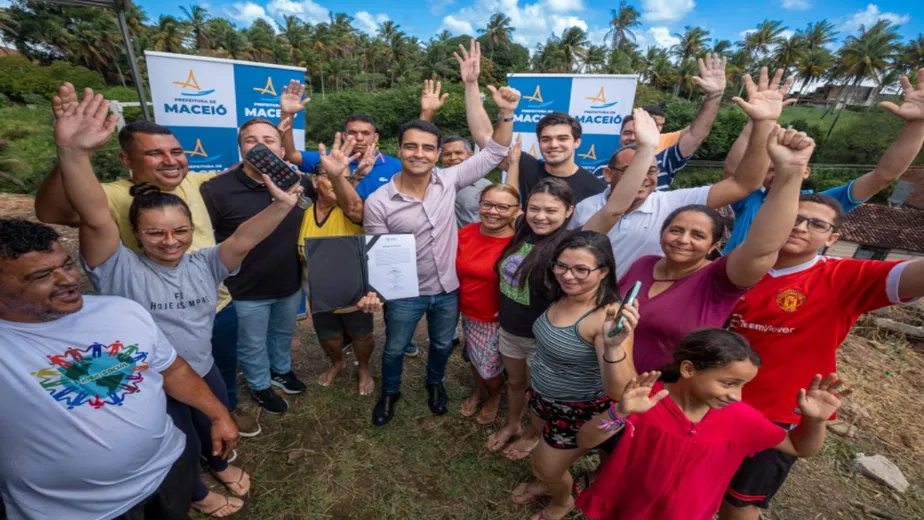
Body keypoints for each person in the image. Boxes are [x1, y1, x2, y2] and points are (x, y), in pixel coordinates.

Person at [51, 92, 316, 516]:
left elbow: (244, 237)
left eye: (180, 231)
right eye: (155, 233)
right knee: (179, 443)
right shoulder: (117, 267)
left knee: (213, 419)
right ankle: (196, 490)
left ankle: (218, 464)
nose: (170, 242)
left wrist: (283, 205)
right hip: (146, 378)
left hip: (200, 367)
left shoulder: (204, 263)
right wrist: (72, 152)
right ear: (135, 234)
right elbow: (94, 215)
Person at [32, 83, 258, 436]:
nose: (170, 160)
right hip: (156, 317)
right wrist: (71, 154)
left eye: (176, 151)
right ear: (127, 160)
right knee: (167, 391)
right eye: (155, 153)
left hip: (216, 303)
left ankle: (224, 409)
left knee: (219, 367)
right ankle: (186, 442)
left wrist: (279, 132)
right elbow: (52, 212)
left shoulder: (196, 181)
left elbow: (245, 172)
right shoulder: (109, 195)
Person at [0, 218, 239, 520]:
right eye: (42, 276)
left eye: (67, 265)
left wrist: (218, 414)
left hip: (168, 469)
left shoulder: (121, 310)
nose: (69, 280)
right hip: (80, 510)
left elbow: (173, 370)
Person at [717, 193, 924, 519]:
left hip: (777, 414)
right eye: (795, 218)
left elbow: (914, 276)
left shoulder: (846, 276)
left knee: (740, 503)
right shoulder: (737, 267)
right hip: (711, 398)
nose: (801, 227)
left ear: (832, 238)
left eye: (816, 224)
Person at [488, 108, 661, 461]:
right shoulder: (521, 227)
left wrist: (645, 150)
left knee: (537, 391)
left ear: (569, 212)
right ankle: (513, 424)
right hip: (509, 327)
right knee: (515, 384)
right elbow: (512, 191)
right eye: (535, 208)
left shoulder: (570, 242)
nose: (540, 216)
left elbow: (614, 208)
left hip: (543, 335)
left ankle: (534, 434)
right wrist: (513, 157)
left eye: (551, 211)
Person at [363, 83, 521, 426]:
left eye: (427, 148)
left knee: (440, 345)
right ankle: (390, 391)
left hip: (449, 289)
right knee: (394, 347)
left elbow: (495, 152)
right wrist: (376, 291)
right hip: (405, 293)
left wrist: (506, 113)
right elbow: (377, 254)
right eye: (411, 146)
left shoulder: (449, 180)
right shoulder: (378, 202)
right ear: (399, 150)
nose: (418, 154)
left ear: (437, 154)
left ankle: (435, 383)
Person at [575, 329, 850, 520]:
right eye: (728, 383)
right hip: (623, 509)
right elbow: (585, 440)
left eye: (743, 385)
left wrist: (815, 421)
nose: (737, 395)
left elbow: (800, 447)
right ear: (688, 369)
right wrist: (619, 412)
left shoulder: (741, 418)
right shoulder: (646, 399)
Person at [621, 124, 813, 374]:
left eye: (698, 235)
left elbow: (762, 247)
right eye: (676, 230)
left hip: (667, 391)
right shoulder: (643, 264)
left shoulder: (719, 279)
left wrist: (790, 174)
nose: (683, 240)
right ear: (662, 233)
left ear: (714, 245)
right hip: (606, 382)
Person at [570, 67, 791, 279]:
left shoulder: (671, 204)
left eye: (651, 170)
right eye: (631, 170)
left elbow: (743, 184)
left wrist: (764, 123)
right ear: (608, 175)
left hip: (643, 301)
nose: (642, 178)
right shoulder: (585, 208)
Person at [721, 68, 924, 253]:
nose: (778, 173)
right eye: (770, 169)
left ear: (806, 172)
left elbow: (884, 176)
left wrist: (917, 125)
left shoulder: (820, 205)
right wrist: (758, 121)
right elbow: (733, 172)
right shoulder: (751, 199)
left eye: (787, 166)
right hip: (727, 280)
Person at [510, 231, 640, 520]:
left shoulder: (606, 318)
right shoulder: (563, 294)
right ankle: (550, 483)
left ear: (604, 271)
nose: (568, 276)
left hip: (577, 411)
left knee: (545, 469)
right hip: (543, 396)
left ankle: (562, 501)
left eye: (581, 269)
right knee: (546, 461)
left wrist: (613, 346)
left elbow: (620, 391)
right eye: (561, 265)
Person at [200, 118, 310, 415]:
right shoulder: (215, 189)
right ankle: (260, 385)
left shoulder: (299, 183)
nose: (261, 145)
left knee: (283, 333)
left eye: (269, 140)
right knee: (251, 343)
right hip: (244, 289)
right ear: (241, 149)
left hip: (289, 283)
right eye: (251, 140)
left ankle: (281, 370)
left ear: (282, 150)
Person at [455, 39, 605, 205]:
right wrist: (471, 83)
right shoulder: (527, 167)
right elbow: (486, 138)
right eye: (546, 139)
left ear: (577, 142)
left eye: (562, 138)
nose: (553, 144)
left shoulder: (596, 189)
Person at [296, 132, 378, 396]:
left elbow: (353, 204)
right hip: (317, 291)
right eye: (329, 176)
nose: (335, 181)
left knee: (361, 335)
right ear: (315, 181)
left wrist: (341, 177)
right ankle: (338, 363)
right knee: (328, 336)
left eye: (341, 178)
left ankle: (363, 368)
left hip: (353, 291)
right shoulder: (301, 212)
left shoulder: (354, 211)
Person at [456, 182, 520, 424]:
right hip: (468, 310)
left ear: (516, 210)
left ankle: (494, 395)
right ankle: (479, 391)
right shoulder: (465, 232)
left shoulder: (518, 244)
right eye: (488, 204)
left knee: (489, 366)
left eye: (503, 207)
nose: (493, 211)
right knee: (475, 356)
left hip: (495, 317)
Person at [618, 53, 728, 191]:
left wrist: (714, 95)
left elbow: (695, 134)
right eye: (627, 133)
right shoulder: (601, 168)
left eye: (638, 132)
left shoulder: (664, 162)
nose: (632, 137)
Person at [280, 80, 399, 200]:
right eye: (352, 133)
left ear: (376, 137)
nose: (359, 138)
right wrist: (288, 114)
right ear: (344, 136)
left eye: (365, 133)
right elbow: (291, 155)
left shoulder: (395, 166)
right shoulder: (330, 159)